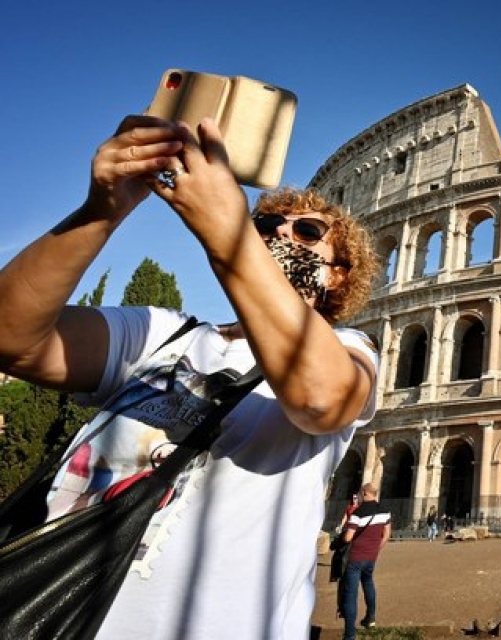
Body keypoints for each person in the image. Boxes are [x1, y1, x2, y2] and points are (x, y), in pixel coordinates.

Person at [0, 115, 381, 638]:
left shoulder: (348, 348)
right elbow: (11, 338)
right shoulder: (162, 333)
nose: (280, 235)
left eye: (308, 232)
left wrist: (229, 235)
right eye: (265, 226)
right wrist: (100, 211)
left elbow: (320, 397)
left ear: (339, 272)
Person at [339, 483, 392, 639]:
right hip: (371, 557)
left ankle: (349, 635)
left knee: (350, 594)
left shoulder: (358, 512)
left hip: (355, 557)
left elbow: (348, 537)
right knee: (368, 583)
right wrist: (376, 549)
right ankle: (370, 618)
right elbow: (387, 535)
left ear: (364, 493)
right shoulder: (385, 511)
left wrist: (341, 538)